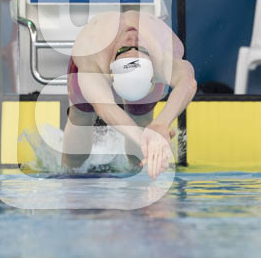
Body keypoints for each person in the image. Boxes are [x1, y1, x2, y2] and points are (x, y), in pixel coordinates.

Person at [62, 10, 197, 179]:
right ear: (111, 68)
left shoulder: (161, 58)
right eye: (125, 49)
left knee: (141, 117)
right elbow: (104, 106)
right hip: (93, 65)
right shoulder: (91, 56)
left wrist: (159, 126)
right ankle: (69, 174)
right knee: (81, 115)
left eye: (140, 49)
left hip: (143, 72)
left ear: (153, 73)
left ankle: (138, 171)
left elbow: (188, 82)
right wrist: (146, 138)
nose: (133, 39)